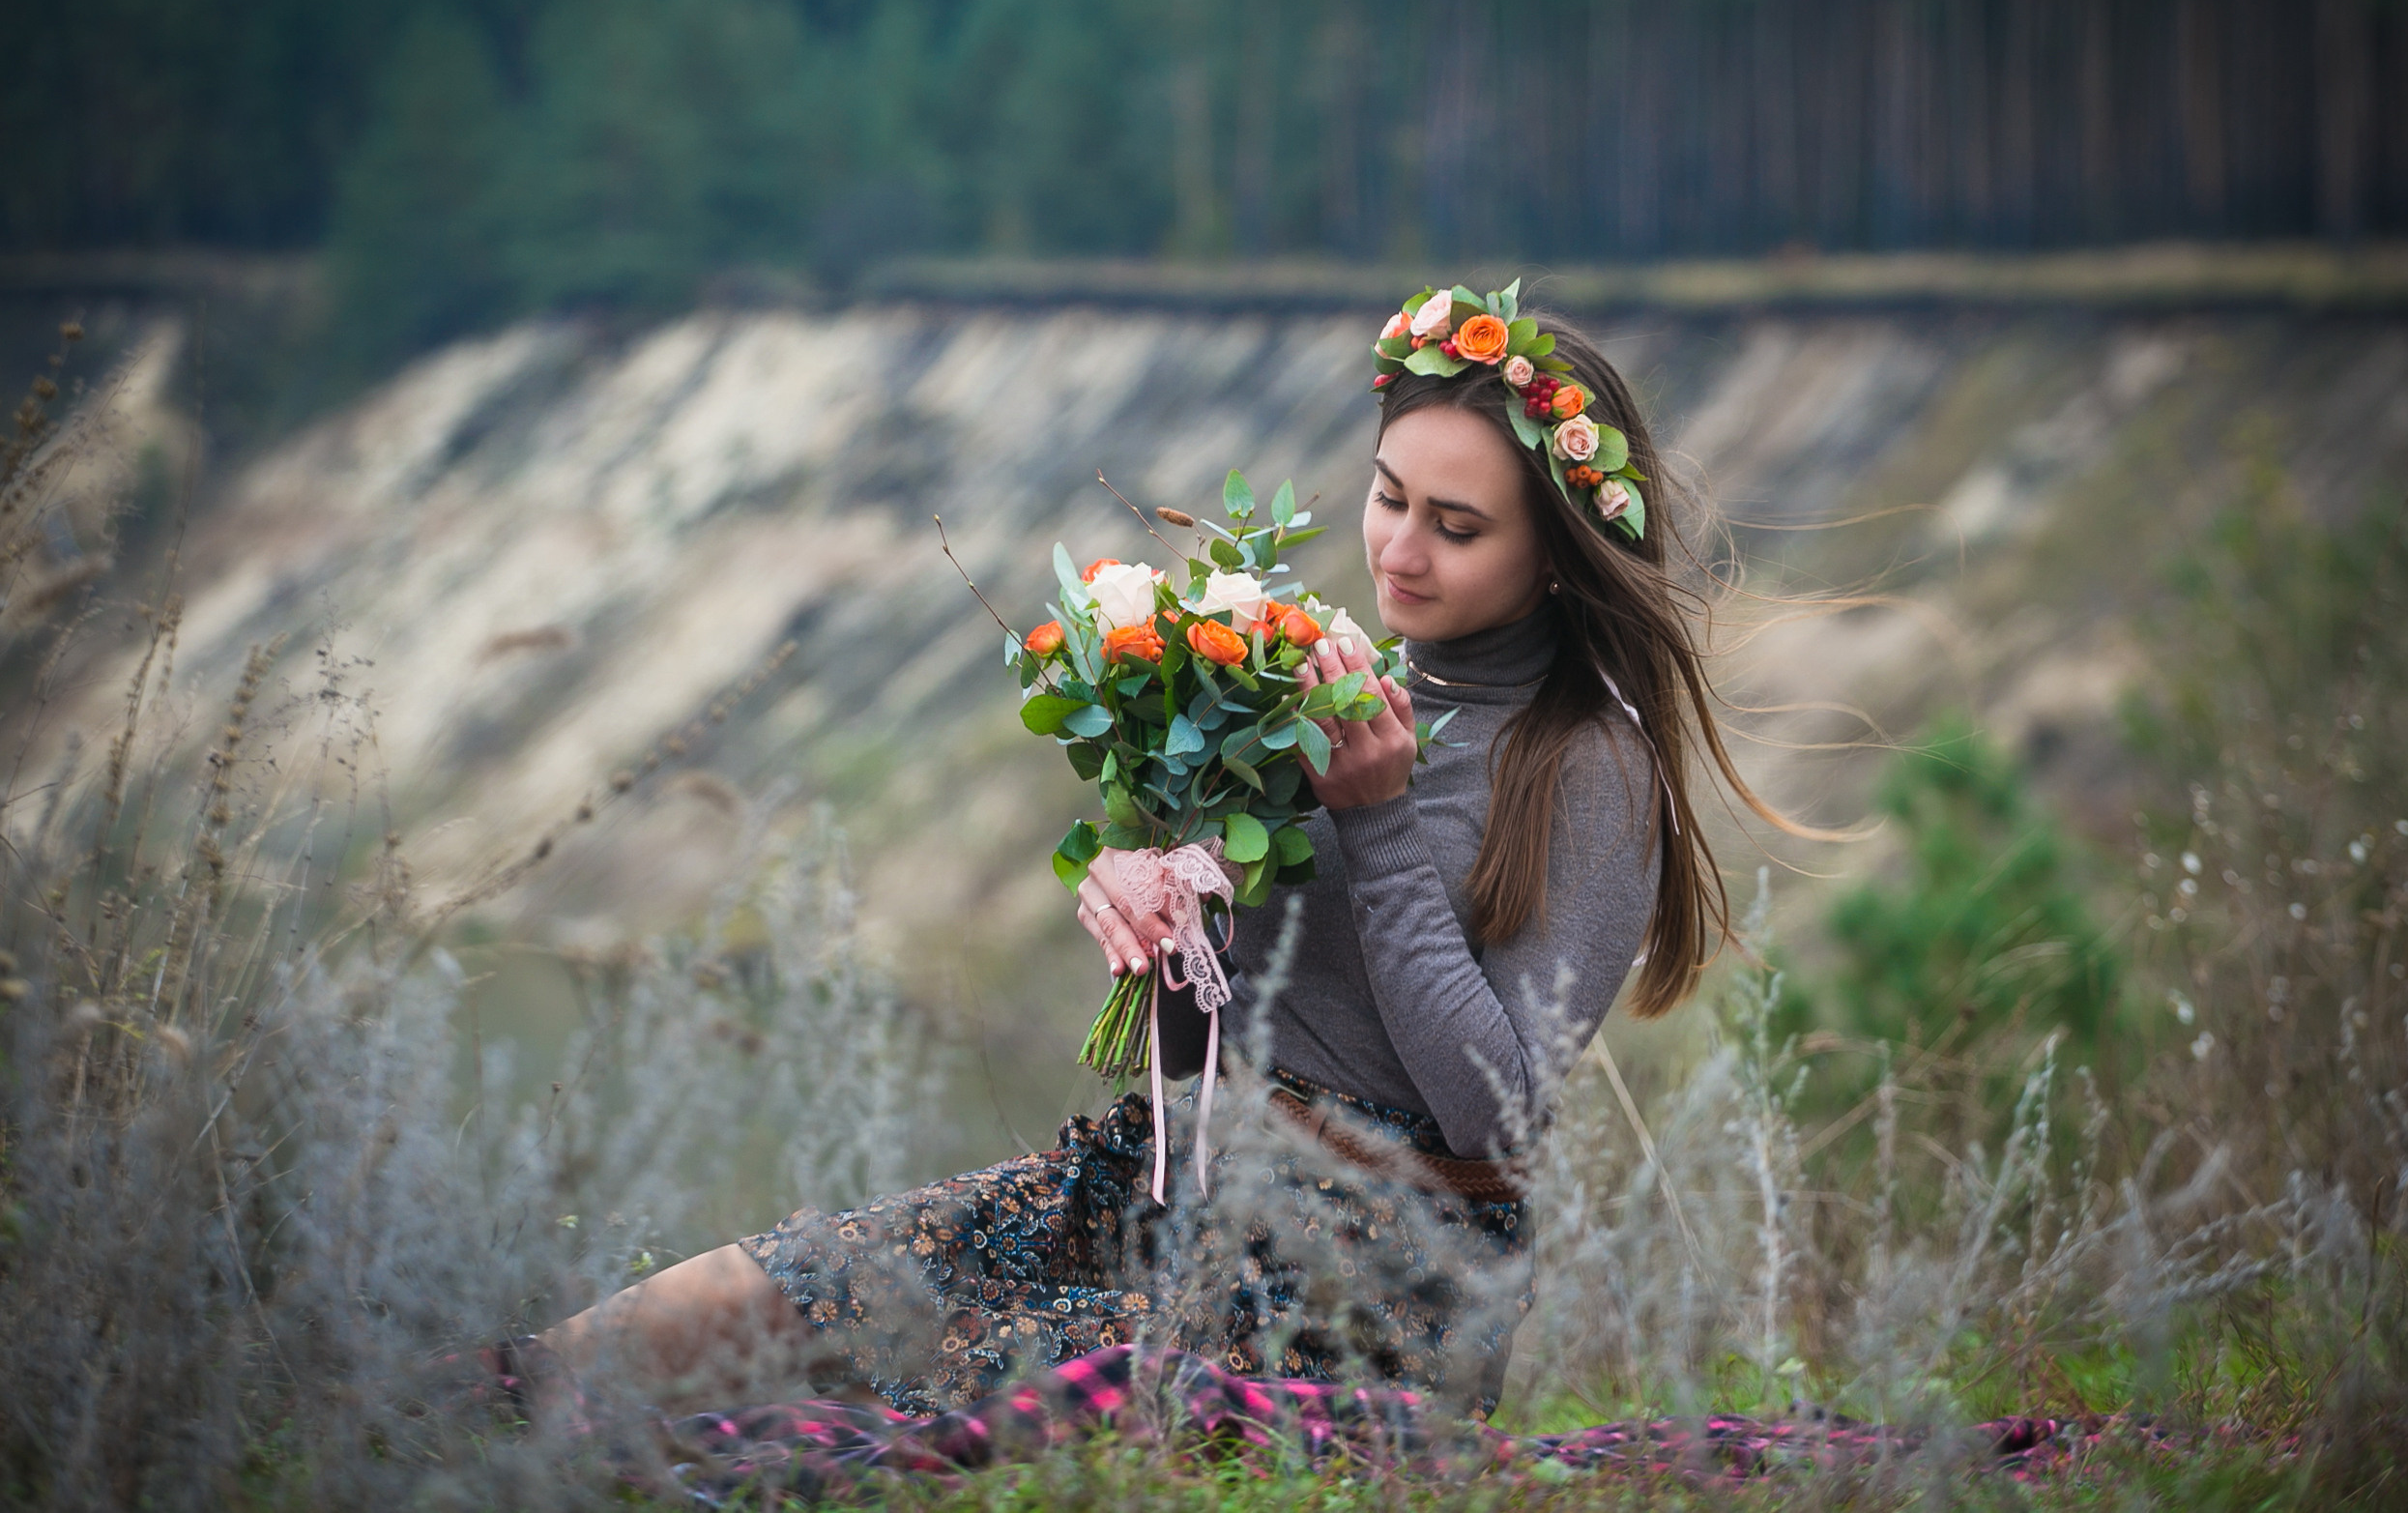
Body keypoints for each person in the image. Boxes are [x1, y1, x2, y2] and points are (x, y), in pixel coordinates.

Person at [511, 289, 1782, 1423]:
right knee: (758, 1303)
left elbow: (1495, 1118)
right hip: (1167, 1176)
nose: (1397, 548)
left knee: (924, 1386)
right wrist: (1150, 883)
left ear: (1556, 561)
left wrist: (1379, 823)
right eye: (1389, 496)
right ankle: (428, 1421)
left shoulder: (1588, 769)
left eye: (1455, 526)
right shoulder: (1326, 689)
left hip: (1366, 1283)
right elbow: (1234, 1014)